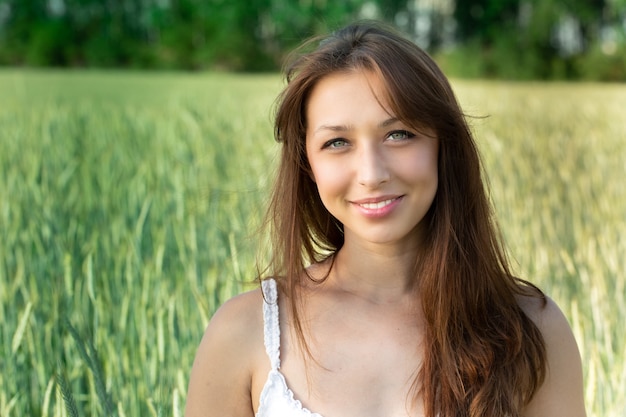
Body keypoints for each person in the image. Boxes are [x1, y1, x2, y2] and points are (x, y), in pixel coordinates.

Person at [185, 21, 586, 417]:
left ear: (443, 146)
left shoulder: (532, 329)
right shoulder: (244, 332)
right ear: (307, 164)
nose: (372, 173)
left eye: (399, 134)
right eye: (337, 142)